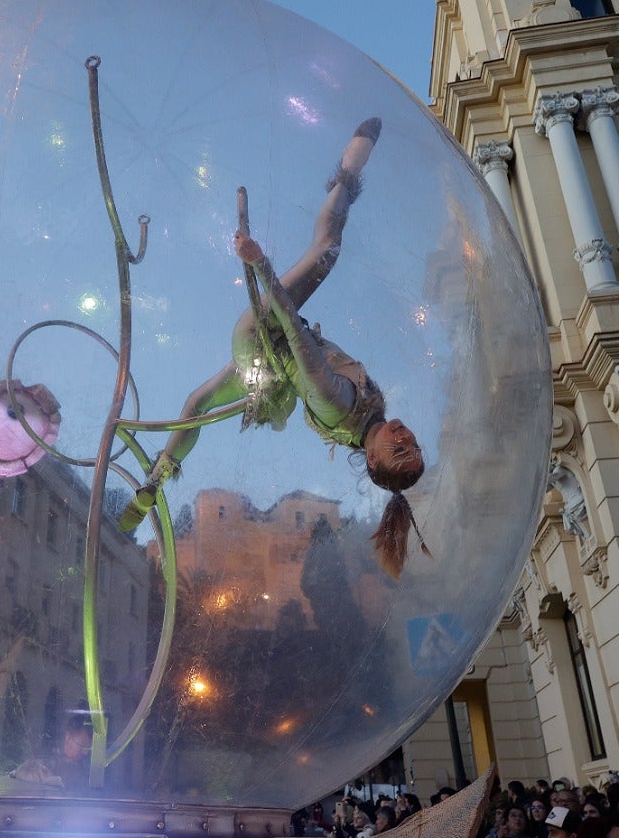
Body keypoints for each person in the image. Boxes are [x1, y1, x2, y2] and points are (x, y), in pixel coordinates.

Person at [118, 119, 428, 578]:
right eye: (414, 443)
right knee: (198, 403)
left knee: (326, 247)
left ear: (370, 458)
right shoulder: (364, 418)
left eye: (398, 451)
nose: (404, 437)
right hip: (269, 366)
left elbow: (299, 339)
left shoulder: (340, 403)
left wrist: (259, 262)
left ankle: (350, 167)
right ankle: (153, 484)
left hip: (266, 334)